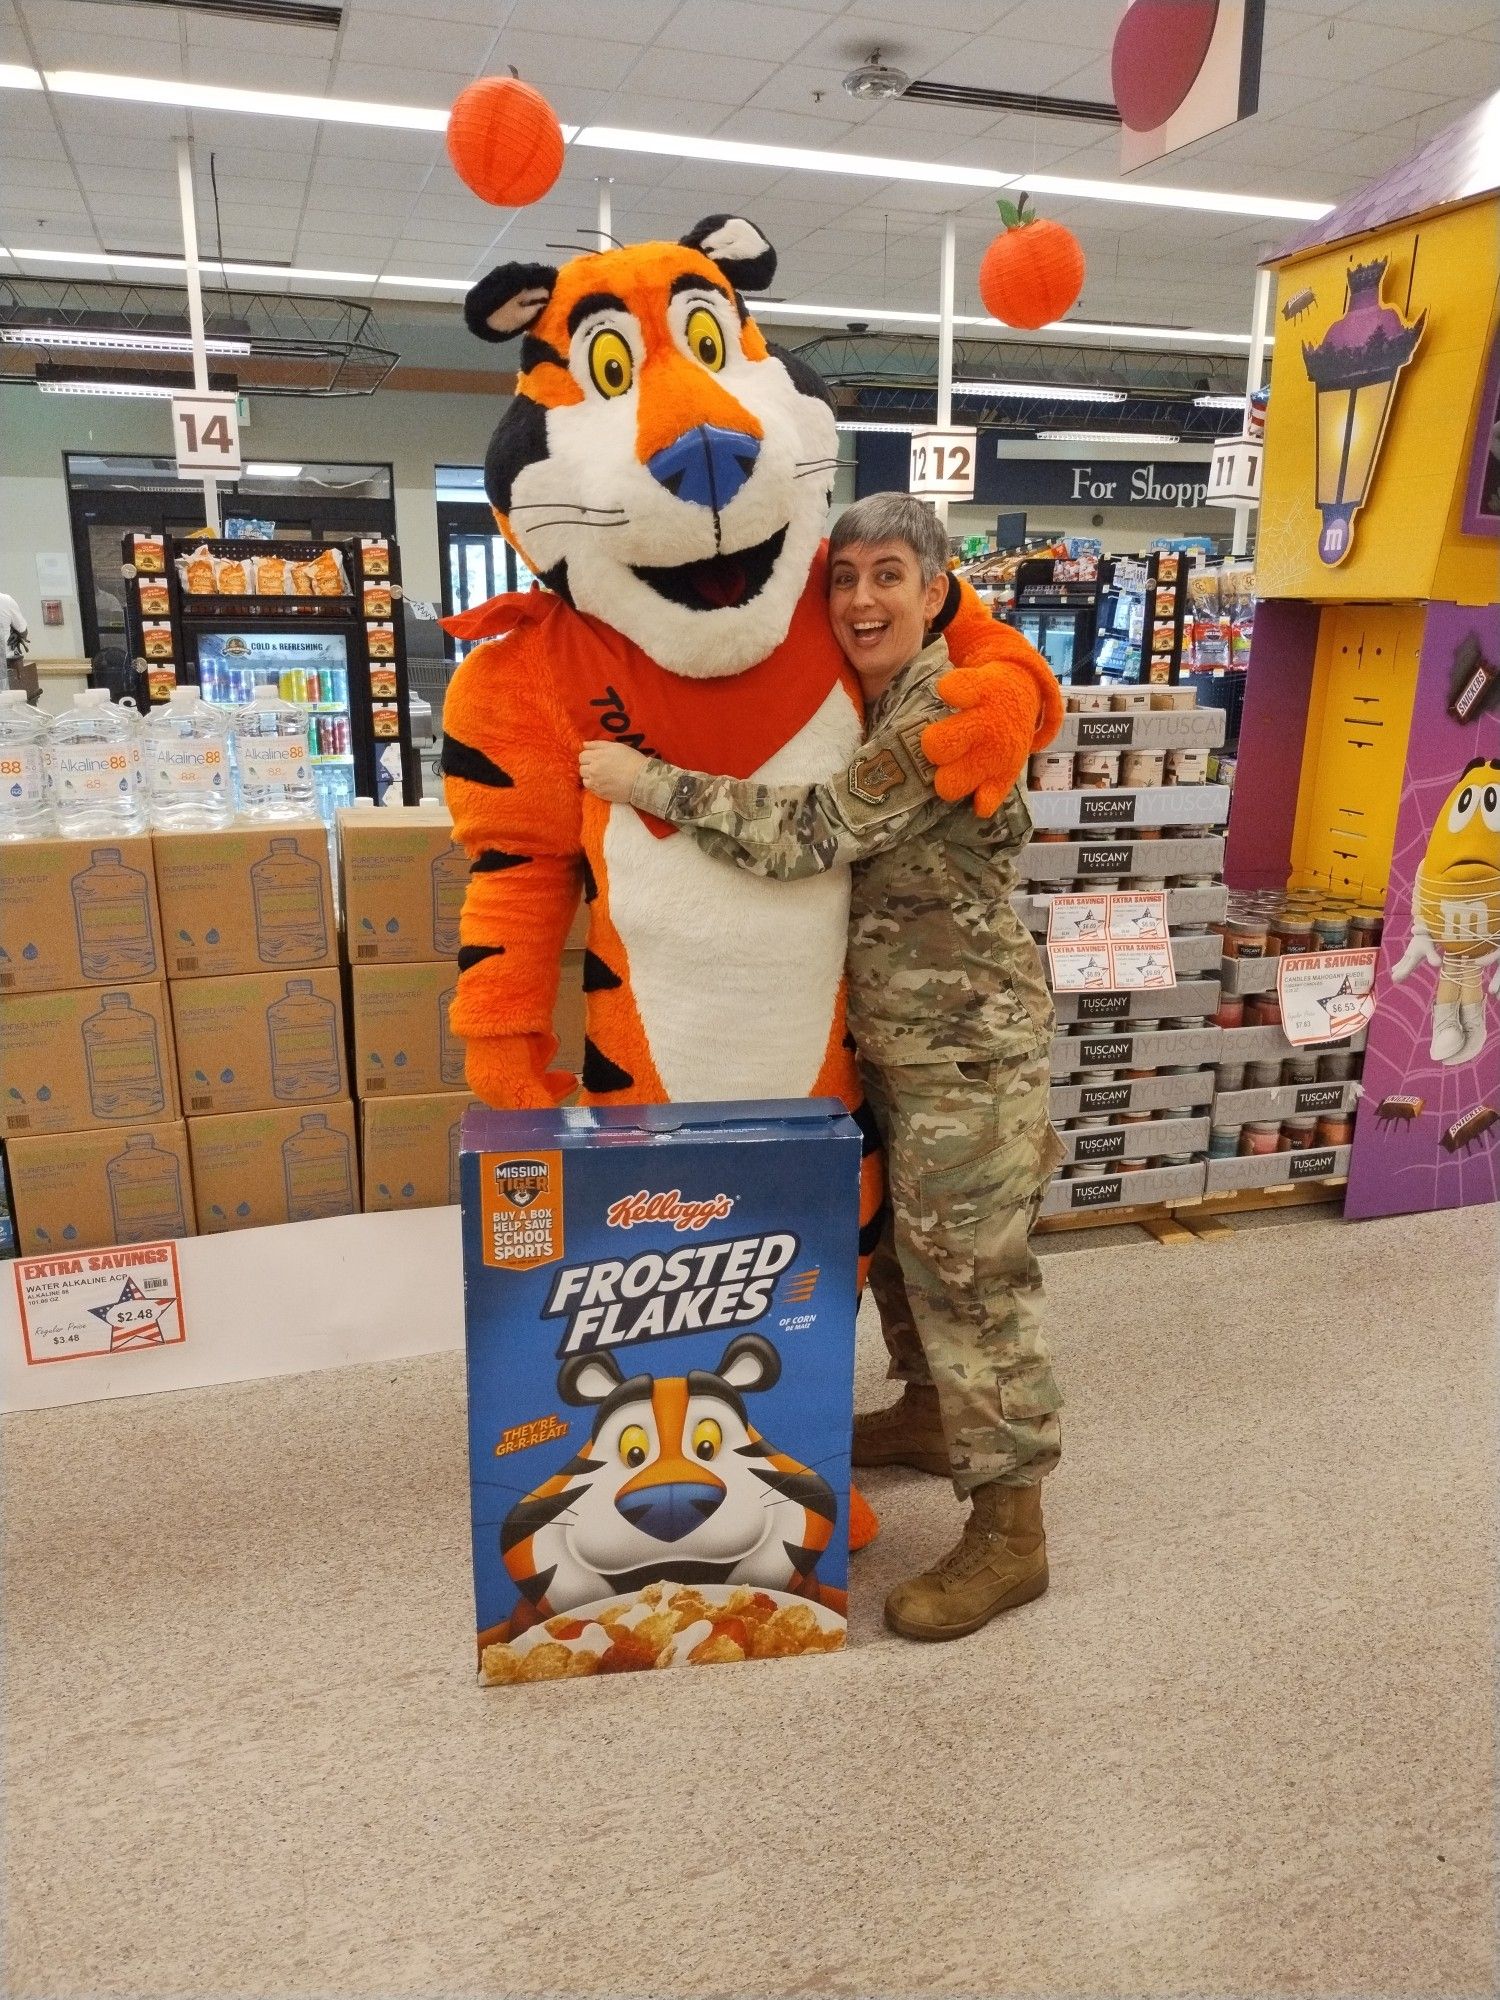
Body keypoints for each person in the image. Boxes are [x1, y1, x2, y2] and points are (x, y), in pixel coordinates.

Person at [580, 492, 1066, 1643]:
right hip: (897, 1037)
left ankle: (1014, 1528)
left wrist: (650, 782)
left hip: (967, 1046)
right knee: (906, 1245)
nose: (860, 599)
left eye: (890, 574)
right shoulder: (886, 686)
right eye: (844, 578)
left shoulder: (946, 704)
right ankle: (931, 1411)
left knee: (972, 1277)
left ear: (938, 587)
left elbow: (814, 831)